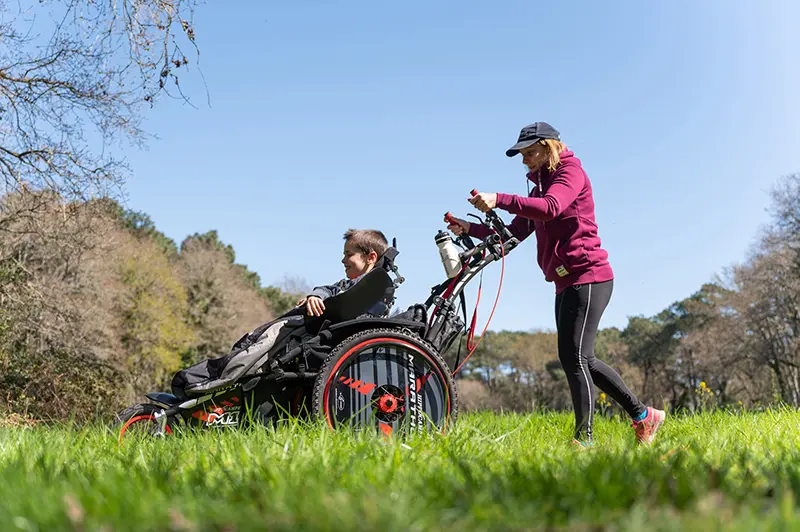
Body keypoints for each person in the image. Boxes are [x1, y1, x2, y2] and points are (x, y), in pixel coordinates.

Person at [445, 122, 664, 447]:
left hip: (588, 273)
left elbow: (551, 208)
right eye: (521, 154)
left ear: (550, 147)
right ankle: (644, 416)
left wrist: (499, 198)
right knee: (580, 358)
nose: (524, 160)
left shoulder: (570, 173)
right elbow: (514, 233)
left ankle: (584, 440)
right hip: (565, 280)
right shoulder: (539, 189)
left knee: (574, 357)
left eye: (529, 152)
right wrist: (469, 230)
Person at [297, 228, 394, 318]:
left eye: (349, 255)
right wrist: (317, 297)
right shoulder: (345, 285)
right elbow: (328, 290)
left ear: (370, 258)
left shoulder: (377, 284)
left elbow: (330, 290)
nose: (343, 260)